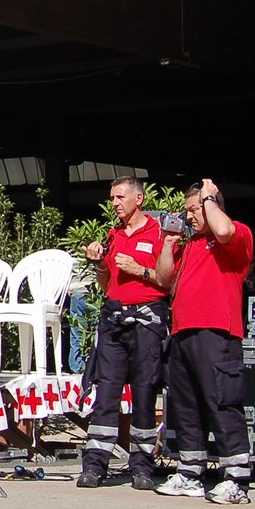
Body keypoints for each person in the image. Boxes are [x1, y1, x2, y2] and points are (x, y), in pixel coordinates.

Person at [153, 177, 255, 504]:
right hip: (184, 332)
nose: (190, 217)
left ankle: (236, 478)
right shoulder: (190, 243)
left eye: (195, 209)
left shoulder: (235, 232)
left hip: (217, 332)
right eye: (188, 211)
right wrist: (169, 243)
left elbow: (223, 231)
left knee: (221, 402)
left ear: (212, 205)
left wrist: (210, 200)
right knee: (186, 405)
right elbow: (163, 278)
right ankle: (189, 473)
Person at [77, 176, 171, 490]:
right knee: (106, 394)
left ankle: (142, 466)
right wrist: (100, 263)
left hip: (147, 319)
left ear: (138, 199)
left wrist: (138, 269)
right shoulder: (114, 234)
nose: (115, 204)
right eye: (113, 198)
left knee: (144, 394)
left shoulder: (159, 233)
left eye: (120, 197)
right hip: (114, 318)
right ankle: (94, 465)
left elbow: (168, 281)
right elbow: (107, 285)